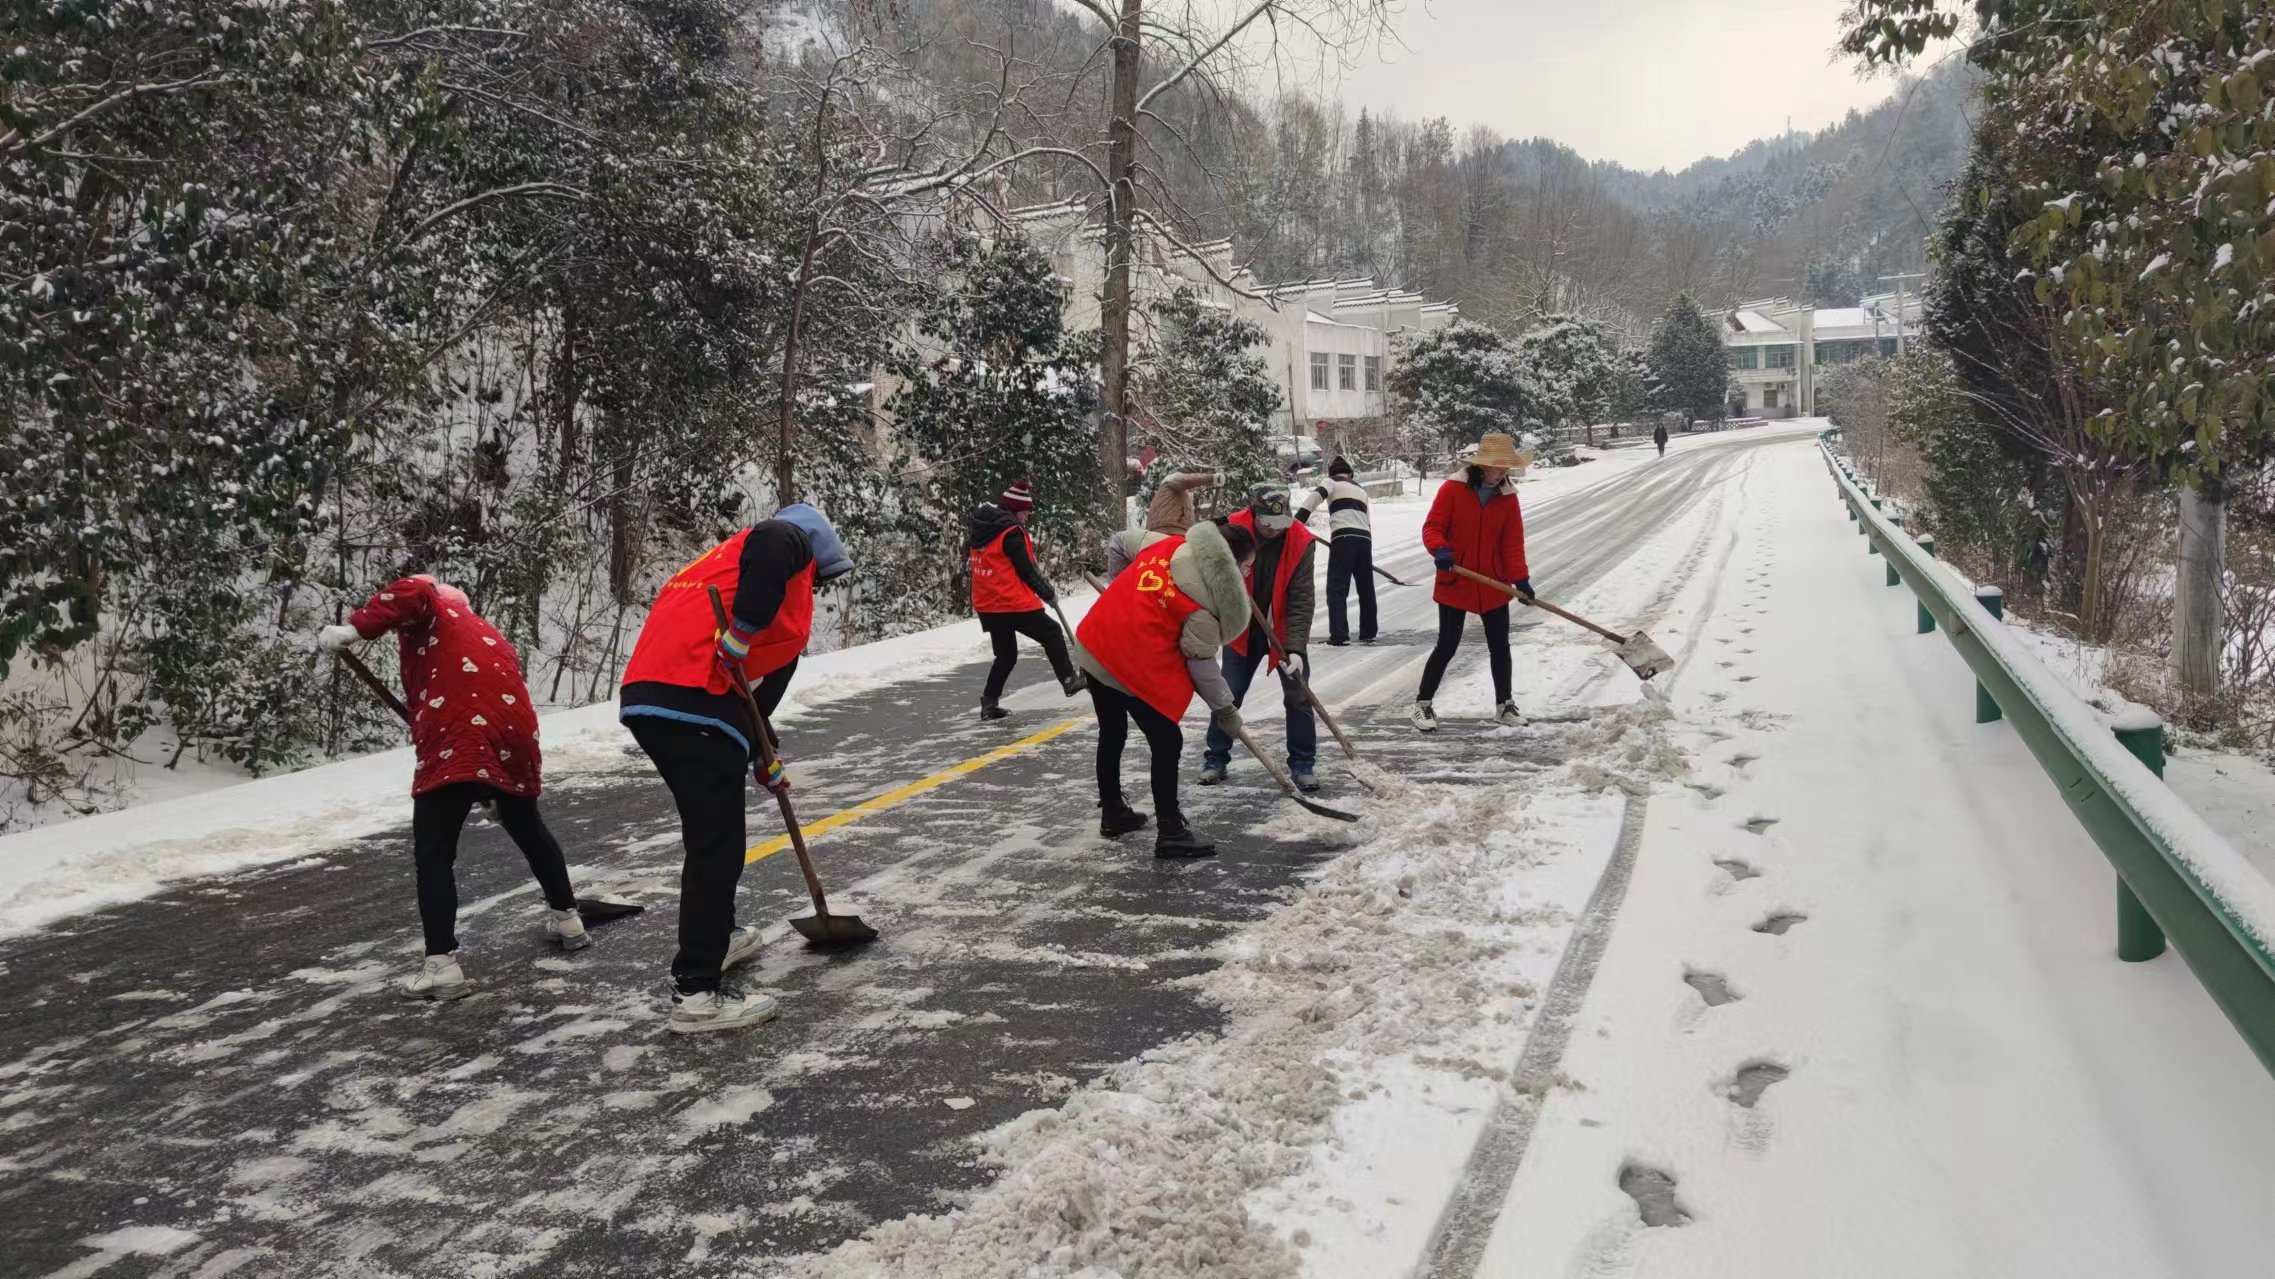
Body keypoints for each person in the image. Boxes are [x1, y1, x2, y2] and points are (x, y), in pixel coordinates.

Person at [618, 503, 853, 1034]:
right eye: (818, 576)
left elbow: (756, 703)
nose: (812, 588)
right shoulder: (779, 540)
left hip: (655, 702)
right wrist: (743, 632)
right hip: (692, 701)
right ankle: (696, 994)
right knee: (716, 845)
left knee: (709, 834)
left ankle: (719, 939)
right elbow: (777, 539)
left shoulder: (721, 572)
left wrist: (762, 753)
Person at [318, 576, 585, 1002]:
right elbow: (479, 693)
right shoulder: (486, 631)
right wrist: (491, 789)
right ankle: (568, 917)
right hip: (513, 737)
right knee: (528, 827)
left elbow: (413, 590)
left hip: (458, 737)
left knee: (435, 852)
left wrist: (355, 628)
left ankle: (441, 965)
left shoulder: (431, 608)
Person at [1073, 517, 1255, 859]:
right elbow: (1201, 665)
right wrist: (1226, 710)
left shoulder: (1169, 545)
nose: (1247, 574)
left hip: (1095, 643)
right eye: (1246, 566)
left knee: (1112, 730)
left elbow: (1120, 540)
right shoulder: (1206, 608)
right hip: (1126, 660)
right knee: (1168, 740)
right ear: (1227, 564)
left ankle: (1113, 811)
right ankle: (1170, 830)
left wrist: (1119, 593)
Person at [1200, 485, 1321, 792]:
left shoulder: (1301, 540)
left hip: (1281, 627)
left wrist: (1294, 649)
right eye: (1266, 523)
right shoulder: (1230, 530)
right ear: (1253, 513)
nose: (1273, 530)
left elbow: (1301, 599)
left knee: (1298, 693)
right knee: (1228, 693)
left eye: (1279, 524)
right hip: (1241, 625)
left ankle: (1303, 763)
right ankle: (1216, 757)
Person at [1412, 433, 1534, 733]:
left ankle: (1504, 705)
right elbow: (1433, 527)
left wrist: (1521, 580)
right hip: (1457, 577)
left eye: (1507, 466)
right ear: (1482, 465)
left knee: (1499, 645)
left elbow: (1512, 544)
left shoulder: (1507, 497)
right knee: (1447, 645)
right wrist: (1440, 549)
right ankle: (1422, 704)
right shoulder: (1452, 490)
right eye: (1498, 466)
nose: (1503, 471)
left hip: (1493, 582)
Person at [968, 478, 1085, 720]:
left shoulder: (984, 529)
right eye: (1025, 512)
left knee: (1007, 654)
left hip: (988, 604)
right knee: (1051, 632)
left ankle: (989, 703)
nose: (1027, 518)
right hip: (1009, 602)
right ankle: (1069, 680)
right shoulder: (1010, 532)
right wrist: (1047, 592)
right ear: (1015, 509)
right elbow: (1026, 570)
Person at [1297, 455, 1376, 646]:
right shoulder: (1361, 489)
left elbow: (1313, 499)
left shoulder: (1330, 482)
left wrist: (1296, 523)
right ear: (1350, 474)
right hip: (1365, 540)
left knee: (1337, 588)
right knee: (1366, 588)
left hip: (1343, 538)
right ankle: (1368, 631)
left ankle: (1339, 635)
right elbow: (1366, 520)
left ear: (1332, 473)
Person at [1145, 468, 1225, 536]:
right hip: (1169, 529)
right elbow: (1187, 480)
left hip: (1169, 530)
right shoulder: (1172, 479)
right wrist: (1212, 478)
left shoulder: (1175, 492)